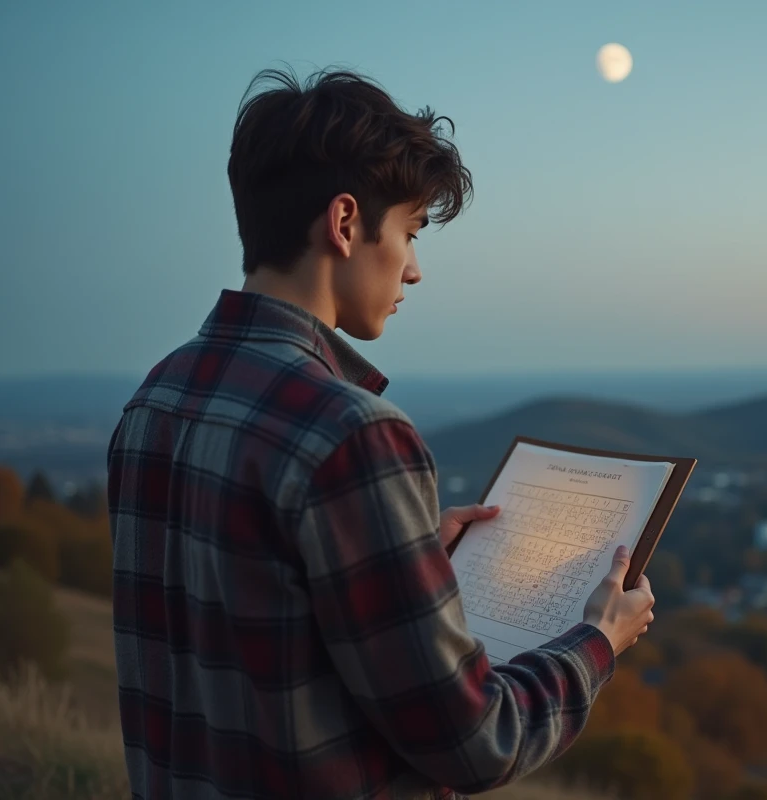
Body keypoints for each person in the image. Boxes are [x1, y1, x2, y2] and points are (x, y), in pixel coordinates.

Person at [107, 67, 655, 800]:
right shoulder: (350, 435)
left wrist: (408, 556)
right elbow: (475, 742)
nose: (416, 270)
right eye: (409, 231)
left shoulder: (158, 397)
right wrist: (597, 642)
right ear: (343, 224)